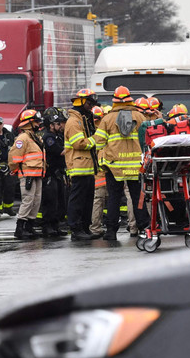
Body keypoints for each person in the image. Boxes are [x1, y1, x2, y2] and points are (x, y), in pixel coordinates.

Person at [94, 86, 150, 240]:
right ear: (130, 99)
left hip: (114, 166)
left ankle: (111, 231)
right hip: (136, 166)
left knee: (114, 198)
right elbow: (148, 140)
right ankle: (144, 227)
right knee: (137, 197)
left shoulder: (107, 119)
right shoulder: (139, 117)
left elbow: (99, 143)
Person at [64, 89, 99, 241]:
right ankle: (76, 229)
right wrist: (95, 140)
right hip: (78, 167)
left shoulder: (84, 119)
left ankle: (85, 228)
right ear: (82, 102)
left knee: (87, 200)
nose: (91, 107)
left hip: (87, 166)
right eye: (89, 103)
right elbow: (78, 143)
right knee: (77, 200)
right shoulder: (74, 122)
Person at [8, 109, 45, 240]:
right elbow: (14, 157)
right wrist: (15, 169)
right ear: (29, 123)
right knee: (28, 200)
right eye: (36, 122)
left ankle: (29, 227)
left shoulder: (35, 138)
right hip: (27, 175)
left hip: (37, 174)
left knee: (36, 201)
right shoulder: (22, 138)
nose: (38, 124)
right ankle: (20, 229)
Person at [39, 108, 69, 237]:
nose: (60, 125)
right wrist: (73, 146)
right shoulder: (48, 137)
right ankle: (47, 227)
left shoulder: (58, 136)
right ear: (51, 125)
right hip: (50, 174)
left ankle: (56, 226)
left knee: (59, 202)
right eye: (57, 123)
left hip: (59, 174)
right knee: (50, 202)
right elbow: (60, 151)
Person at [88, 106, 108, 237]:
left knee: (97, 201)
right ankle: (97, 227)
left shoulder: (89, 133)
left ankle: (95, 227)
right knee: (102, 201)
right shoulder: (103, 133)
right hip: (105, 172)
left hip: (95, 173)